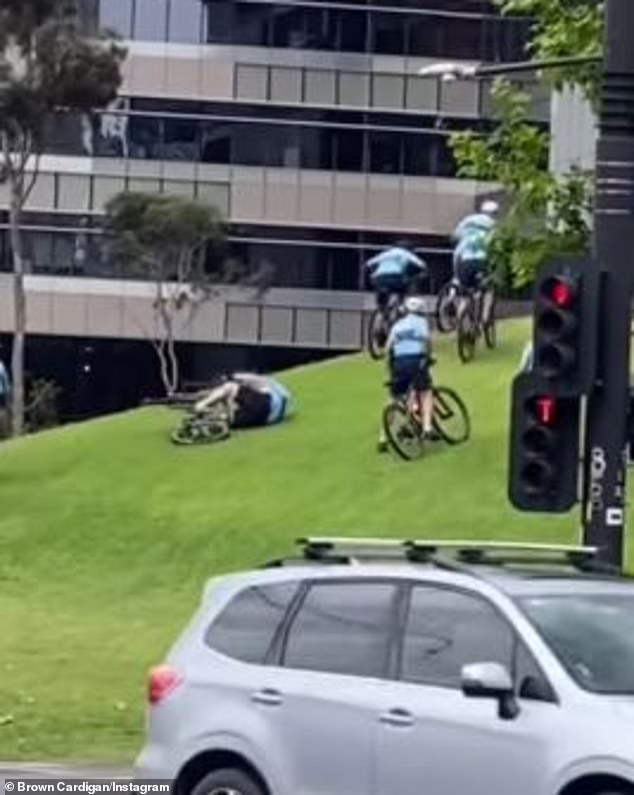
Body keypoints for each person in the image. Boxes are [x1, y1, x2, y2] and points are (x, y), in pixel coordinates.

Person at [378, 295, 434, 452]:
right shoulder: (421, 322)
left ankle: (382, 437)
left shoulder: (398, 325)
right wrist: (429, 356)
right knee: (425, 391)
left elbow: (388, 348)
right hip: (416, 360)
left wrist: (389, 368)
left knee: (393, 398)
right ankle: (427, 427)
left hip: (398, 363)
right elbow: (427, 340)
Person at [193, 372, 295, 430]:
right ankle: (218, 418)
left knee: (229, 387)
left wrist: (232, 376)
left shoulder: (265, 383)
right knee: (230, 417)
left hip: (266, 402)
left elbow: (250, 378)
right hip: (265, 419)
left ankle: (201, 405)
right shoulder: (282, 394)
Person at [365, 244, 428, 314]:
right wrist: (423, 273)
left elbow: (368, 263)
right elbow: (421, 264)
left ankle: (383, 312)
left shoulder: (386, 253)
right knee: (405, 287)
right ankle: (400, 306)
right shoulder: (405, 253)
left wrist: (373, 273)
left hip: (379, 278)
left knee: (383, 293)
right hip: (395, 277)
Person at [452, 199, 499, 291]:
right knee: (482, 278)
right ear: (495, 213)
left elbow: (456, 234)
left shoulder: (469, 219)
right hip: (483, 257)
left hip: (462, 254)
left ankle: (452, 296)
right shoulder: (494, 225)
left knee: (457, 277)